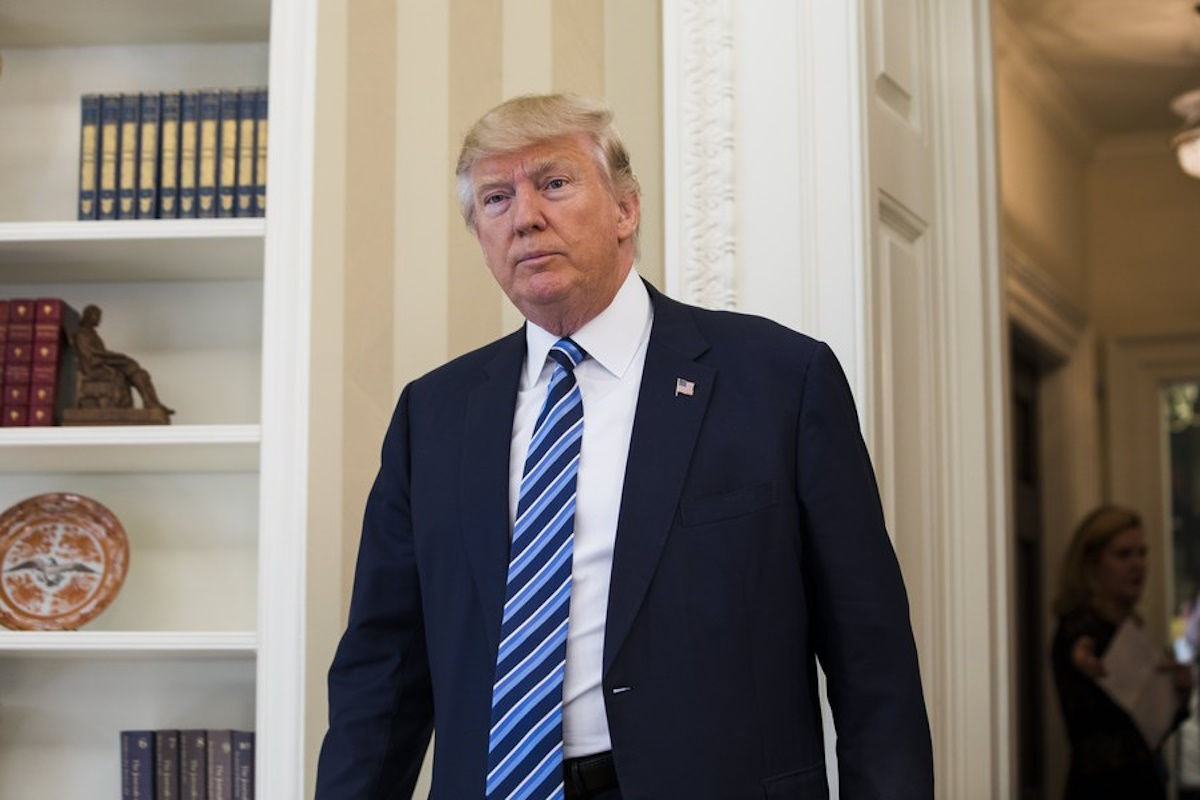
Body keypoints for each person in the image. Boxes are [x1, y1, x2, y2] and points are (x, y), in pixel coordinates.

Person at [315, 93, 933, 799]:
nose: (525, 217)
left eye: (553, 183)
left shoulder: (780, 382)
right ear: (480, 235)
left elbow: (871, 657)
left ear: (625, 209)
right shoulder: (434, 416)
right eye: (495, 199)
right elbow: (381, 675)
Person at [1050, 504, 1193, 800]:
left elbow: (1146, 728)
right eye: (1124, 555)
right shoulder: (1083, 628)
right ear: (1092, 563)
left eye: (1142, 553)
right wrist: (1082, 660)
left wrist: (1179, 695)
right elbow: (1081, 656)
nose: (1138, 565)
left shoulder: (1129, 630)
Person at [73, 304, 173, 414]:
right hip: (94, 365)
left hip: (102, 361)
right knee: (130, 365)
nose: (99, 319)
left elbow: (101, 352)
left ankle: (152, 403)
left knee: (140, 374)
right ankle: (151, 403)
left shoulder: (93, 334)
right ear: (89, 315)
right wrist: (115, 356)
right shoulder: (81, 333)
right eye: (97, 315)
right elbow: (91, 354)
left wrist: (113, 355)